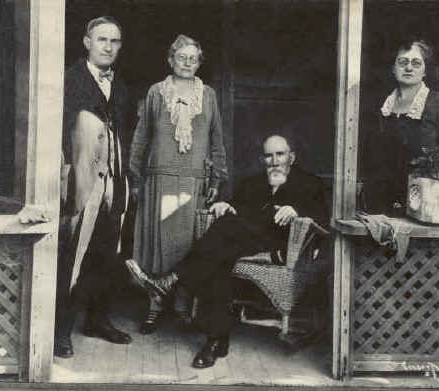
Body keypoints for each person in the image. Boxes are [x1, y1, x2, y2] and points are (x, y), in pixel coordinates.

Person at [126, 134, 329, 369]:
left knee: (223, 237)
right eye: (268, 155)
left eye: (280, 154)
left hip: (279, 247)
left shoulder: (309, 183)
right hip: (242, 242)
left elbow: (324, 221)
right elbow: (238, 207)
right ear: (263, 159)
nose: (274, 161)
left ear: (291, 157)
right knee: (221, 257)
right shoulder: (252, 183)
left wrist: (297, 210)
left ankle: (172, 282)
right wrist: (226, 205)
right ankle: (215, 340)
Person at [129, 34, 228, 334]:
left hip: (194, 181)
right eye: (181, 57)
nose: (187, 63)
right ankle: (154, 308)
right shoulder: (156, 92)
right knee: (157, 247)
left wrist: (217, 178)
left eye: (193, 58)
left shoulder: (207, 94)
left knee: (189, 247)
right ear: (170, 60)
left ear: (200, 63)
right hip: (158, 179)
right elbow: (141, 137)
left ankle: (183, 307)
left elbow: (216, 140)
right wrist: (134, 179)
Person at [55, 16, 134, 358]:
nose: (109, 47)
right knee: (72, 255)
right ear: (87, 42)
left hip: (114, 184)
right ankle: (60, 330)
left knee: (108, 254)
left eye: (115, 41)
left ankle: (97, 320)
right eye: (102, 40)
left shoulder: (123, 88)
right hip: (82, 183)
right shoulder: (69, 80)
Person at [361, 39, 439, 215]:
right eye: (402, 62)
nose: (408, 68)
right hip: (380, 203)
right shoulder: (382, 106)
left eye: (416, 63)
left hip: (424, 202)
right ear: (393, 68)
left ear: (425, 71)